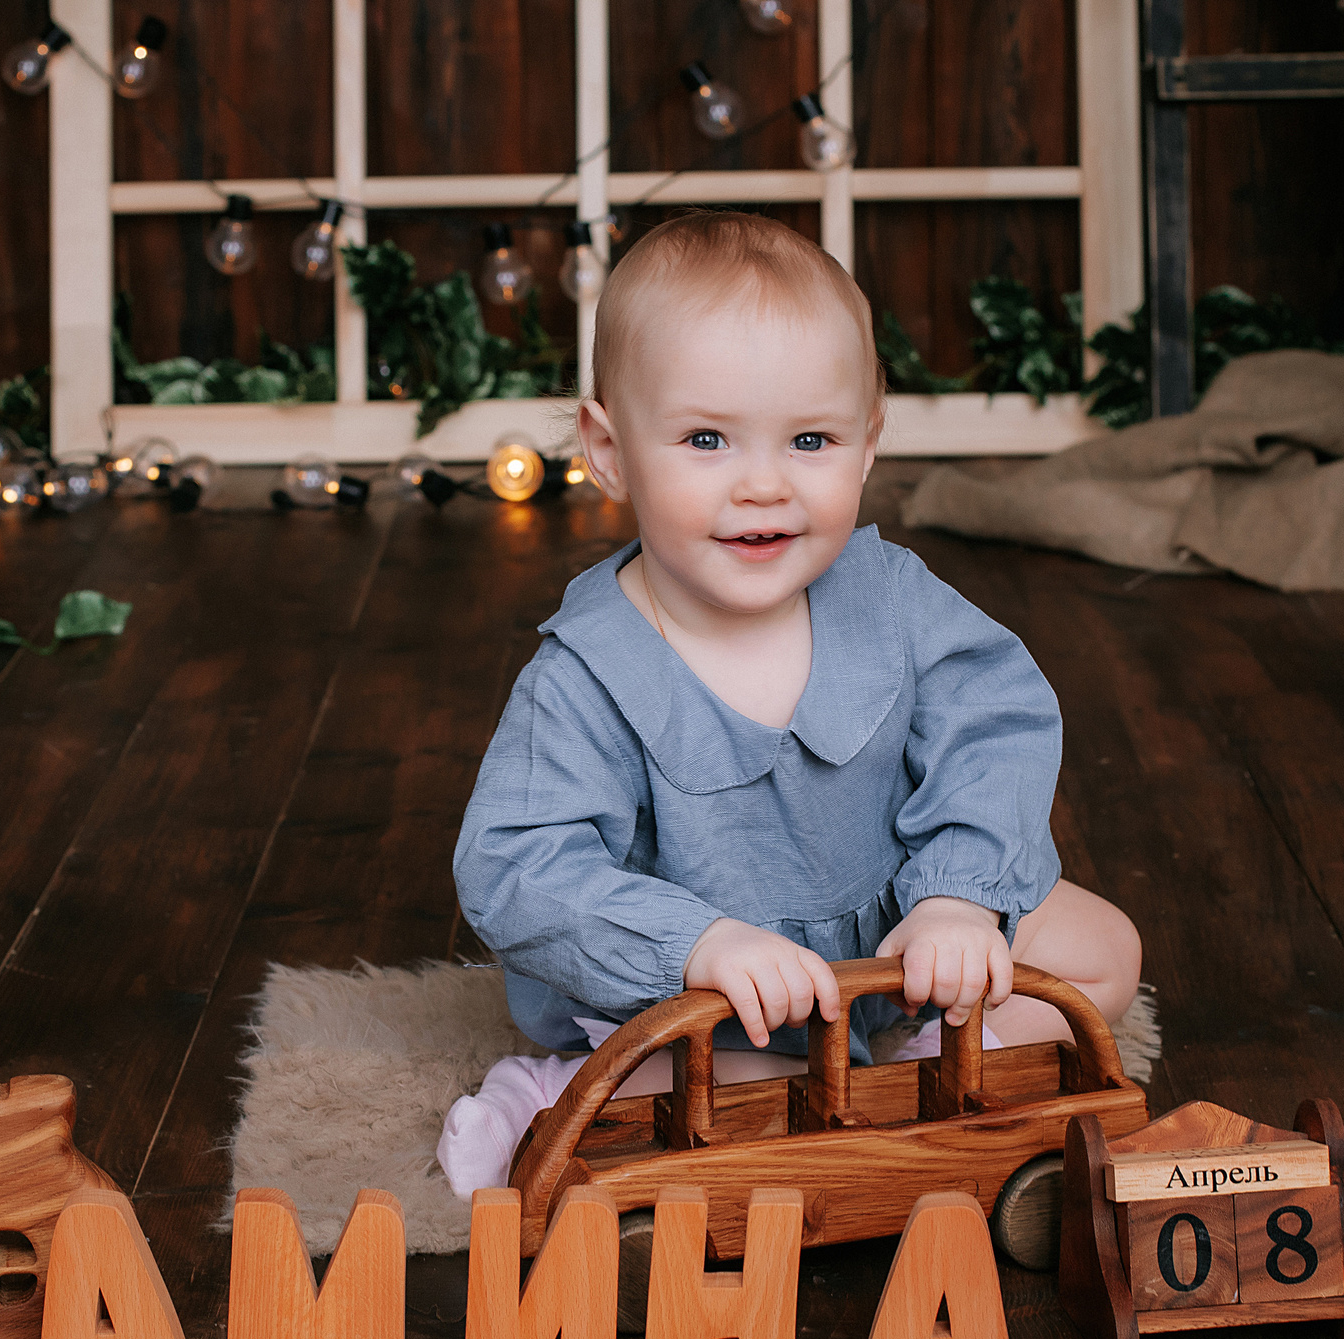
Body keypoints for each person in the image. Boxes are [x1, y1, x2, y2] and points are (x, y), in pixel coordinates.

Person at [438, 210, 1142, 1195]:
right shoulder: (592, 671)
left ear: (865, 447)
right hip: (721, 999)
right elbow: (515, 867)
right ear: (608, 449)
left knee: (1102, 954)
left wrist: (956, 895)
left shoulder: (888, 597)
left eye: (809, 439)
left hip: (897, 944)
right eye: (706, 440)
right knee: (703, 1100)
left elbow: (996, 723)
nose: (763, 485)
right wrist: (698, 947)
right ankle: (549, 1092)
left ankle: (902, 1089)